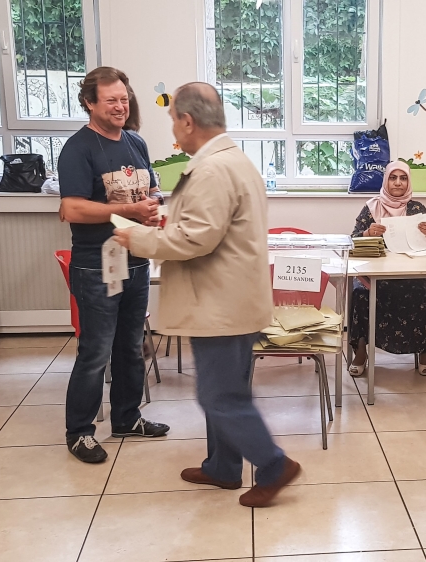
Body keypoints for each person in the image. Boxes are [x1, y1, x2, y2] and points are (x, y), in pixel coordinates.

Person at [114, 82, 300, 508]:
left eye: (173, 120)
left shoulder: (214, 168)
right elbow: (204, 223)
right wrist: (165, 218)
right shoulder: (227, 161)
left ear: (188, 120)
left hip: (220, 302)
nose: (173, 130)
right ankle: (222, 467)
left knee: (218, 395)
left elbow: (196, 238)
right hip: (227, 297)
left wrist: (137, 237)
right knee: (227, 390)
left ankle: (273, 465)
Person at [57, 66, 169, 464]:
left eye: (124, 98)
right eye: (111, 100)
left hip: (137, 259)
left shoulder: (136, 142)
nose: (121, 106)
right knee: (95, 351)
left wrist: (155, 209)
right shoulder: (78, 148)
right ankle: (79, 432)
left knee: (131, 346)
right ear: (89, 103)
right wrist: (128, 209)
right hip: (96, 264)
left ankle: (126, 418)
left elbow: (150, 190)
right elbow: (69, 208)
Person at [348, 161, 426, 376]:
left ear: (408, 182)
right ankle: (360, 352)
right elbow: (352, 240)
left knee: (417, 291)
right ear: (386, 180)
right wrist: (368, 234)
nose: (398, 182)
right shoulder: (371, 207)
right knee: (360, 293)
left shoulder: (417, 208)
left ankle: (423, 349)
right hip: (375, 272)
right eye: (393, 177)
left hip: (408, 272)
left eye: (403, 178)